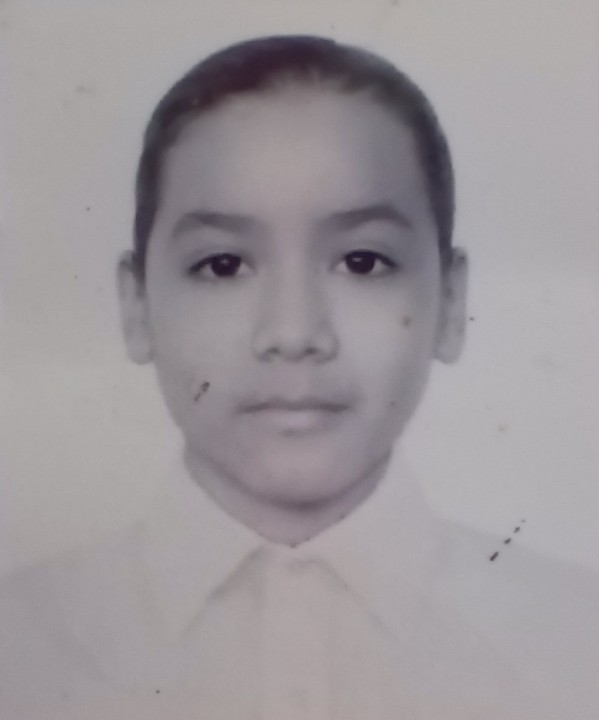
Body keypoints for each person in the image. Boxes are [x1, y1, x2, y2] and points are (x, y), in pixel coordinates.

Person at [1, 35, 597, 720]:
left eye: (363, 262)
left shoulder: (578, 643)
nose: (293, 332)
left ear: (451, 303)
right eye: (223, 265)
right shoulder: (20, 645)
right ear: (136, 306)